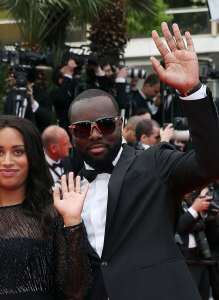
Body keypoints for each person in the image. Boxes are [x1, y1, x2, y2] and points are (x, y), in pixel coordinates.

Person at [67, 22, 219, 299]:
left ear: (121, 123)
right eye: (82, 128)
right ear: (71, 134)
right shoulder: (65, 191)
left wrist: (192, 92)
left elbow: (211, 163)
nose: (94, 134)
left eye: (105, 125)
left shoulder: (155, 162)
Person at [0, 115, 91, 299]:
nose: (7, 161)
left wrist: (72, 223)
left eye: (18, 152)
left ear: (32, 158)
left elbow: (77, 291)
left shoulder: (54, 215)